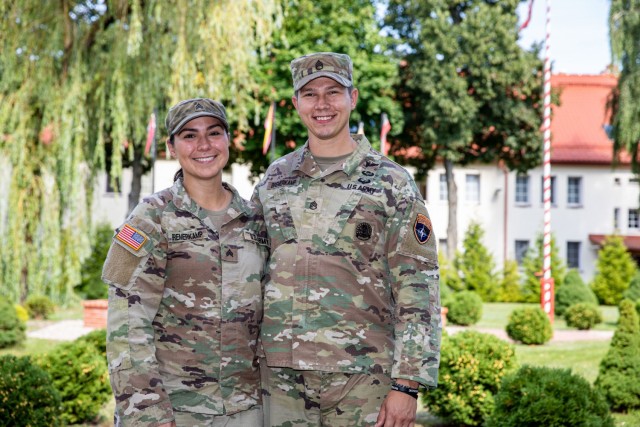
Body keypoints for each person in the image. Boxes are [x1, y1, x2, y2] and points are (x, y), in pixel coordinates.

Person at [252, 52, 442, 426]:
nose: (321, 104)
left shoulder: (392, 182)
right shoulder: (275, 179)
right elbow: (251, 268)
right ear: (296, 104)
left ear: (352, 98)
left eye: (332, 92)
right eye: (309, 94)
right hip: (281, 378)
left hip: (362, 378)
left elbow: (418, 286)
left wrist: (406, 385)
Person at [103, 98, 269, 427]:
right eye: (189, 135)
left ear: (227, 140)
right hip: (175, 410)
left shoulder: (255, 220)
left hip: (247, 411)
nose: (203, 145)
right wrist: (149, 413)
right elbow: (126, 323)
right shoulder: (150, 218)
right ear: (171, 146)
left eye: (214, 133)